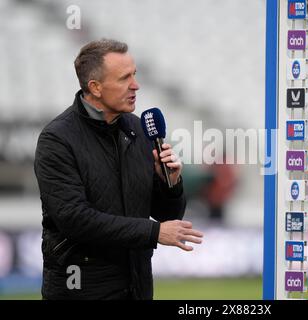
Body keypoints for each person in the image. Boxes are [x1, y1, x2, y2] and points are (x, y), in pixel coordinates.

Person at [34, 39, 203, 300]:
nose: (136, 85)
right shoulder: (57, 139)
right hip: (81, 290)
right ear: (95, 87)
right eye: (125, 78)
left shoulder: (138, 130)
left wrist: (170, 184)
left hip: (136, 287)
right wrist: (153, 233)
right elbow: (75, 219)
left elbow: (165, 214)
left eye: (134, 74)